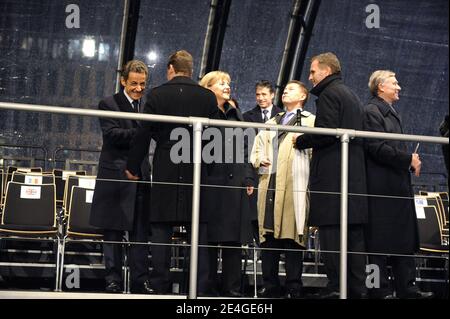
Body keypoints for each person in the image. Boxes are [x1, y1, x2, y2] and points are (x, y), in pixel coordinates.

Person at [126, 50, 218, 295]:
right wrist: (208, 169)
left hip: (167, 165)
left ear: (170, 68)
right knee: (198, 230)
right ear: (190, 69)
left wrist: (133, 167)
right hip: (195, 168)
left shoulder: (157, 95)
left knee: (161, 229)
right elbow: (215, 137)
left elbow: (143, 134)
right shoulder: (207, 97)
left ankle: (159, 285)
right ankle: (198, 287)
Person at [293, 52, 368, 298]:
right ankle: (356, 290)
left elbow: (326, 132)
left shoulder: (329, 94)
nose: (310, 76)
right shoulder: (350, 94)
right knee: (354, 243)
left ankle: (337, 288)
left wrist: (300, 139)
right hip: (352, 181)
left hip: (333, 181)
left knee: (333, 238)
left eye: (313, 71)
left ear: (326, 71)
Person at [363, 70, 434, 299]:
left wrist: (409, 162)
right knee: (376, 243)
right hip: (380, 188)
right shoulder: (371, 111)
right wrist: (407, 159)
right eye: (394, 83)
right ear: (380, 87)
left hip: (395, 185)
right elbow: (376, 147)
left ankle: (407, 288)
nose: (399, 87)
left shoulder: (390, 113)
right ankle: (376, 289)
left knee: (401, 240)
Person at [89, 60, 153, 294]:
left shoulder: (147, 105)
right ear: (123, 81)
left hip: (141, 175)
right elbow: (112, 135)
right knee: (113, 231)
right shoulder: (108, 104)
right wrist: (143, 131)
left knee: (140, 232)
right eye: (134, 84)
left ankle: (140, 280)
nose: (139, 88)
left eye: (143, 84)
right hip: (116, 175)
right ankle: (112, 279)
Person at [251, 80, 315, 298]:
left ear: (303, 96)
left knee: (292, 236)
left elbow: (316, 153)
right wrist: (260, 159)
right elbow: (256, 150)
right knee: (268, 237)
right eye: (285, 89)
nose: (285, 91)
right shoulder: (272, 121)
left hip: (294, 185)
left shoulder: (310, 121)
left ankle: (293, 287)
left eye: (291, 89)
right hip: (269, 184)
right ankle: (270, 286)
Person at [199, 70, 255, 297]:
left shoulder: (235, 114)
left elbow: (246, 148)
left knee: (233, 240)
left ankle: (232, 289)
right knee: (210, 239)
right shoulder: (204, 113)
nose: (227, 86)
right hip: (212, 182)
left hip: (235, 184)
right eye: (221, 83)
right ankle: (208, 286)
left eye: (228, 83)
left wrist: (249, 176)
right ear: (208, 87)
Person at [243, 81, 283, 246]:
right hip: (254, 172)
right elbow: (245, 150)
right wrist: (248, 178)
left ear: (273, 95)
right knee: (255, 216)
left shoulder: (283, 116)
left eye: (264, 94)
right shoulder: (247, 117)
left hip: (276, 173)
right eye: (258, 95)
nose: (260, 98)